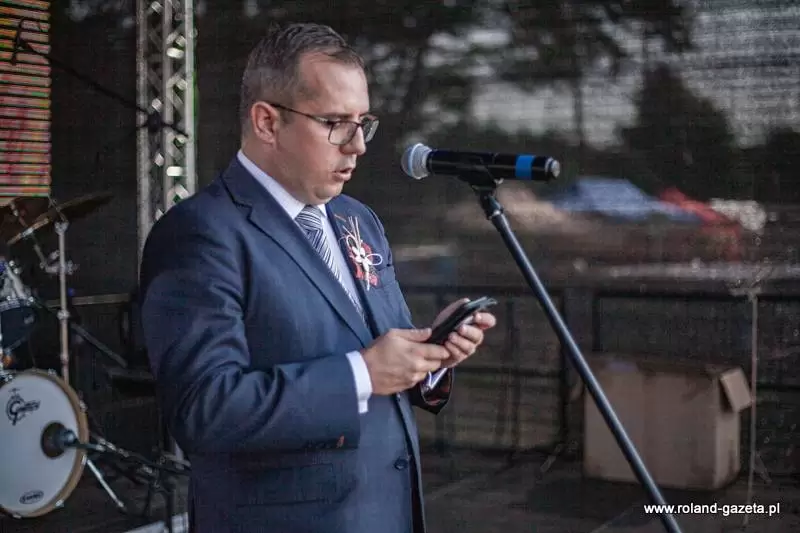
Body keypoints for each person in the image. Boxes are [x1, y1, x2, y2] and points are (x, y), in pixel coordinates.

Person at [138, 22, 497, 533]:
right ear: (267, 122)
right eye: (334, 123)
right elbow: (204, 409)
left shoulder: (358, 218)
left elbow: (385, 354)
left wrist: (431, 354)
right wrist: (362, 374)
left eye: (363, 123)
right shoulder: (200, 232)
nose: (358, 146)